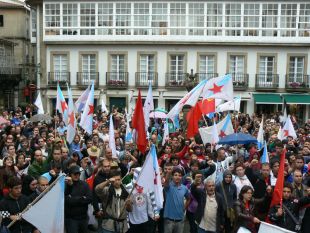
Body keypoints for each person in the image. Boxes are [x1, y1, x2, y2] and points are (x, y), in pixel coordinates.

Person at [65, 165, 92, 233]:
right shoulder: (66, 185)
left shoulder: (84, 184)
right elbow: (68, 201)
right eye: (74, 174)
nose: (76, 175)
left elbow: (89, 198)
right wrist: (82, 198)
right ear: (70, 174)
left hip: (83, 218)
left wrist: (74, 199)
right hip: (71, 219)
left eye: (78, 174)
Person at [163, 168, 190, 233]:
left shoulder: (184, 188)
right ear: (172, 176)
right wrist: (168, 173)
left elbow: (189, 198)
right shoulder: (168, 186)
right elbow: (166, 182)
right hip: (169, 220)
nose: (178, 177)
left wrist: (185, 207)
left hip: (180, 220)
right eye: (175, 175)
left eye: (180, 175)